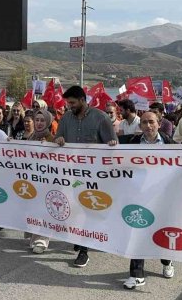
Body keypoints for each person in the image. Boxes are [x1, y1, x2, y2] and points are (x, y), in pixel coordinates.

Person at [54, 86, 117, 268]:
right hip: (75, 175)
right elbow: (59, 138)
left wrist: (112, 145)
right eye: (68, 103)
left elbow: (113, 148)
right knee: (79, 209)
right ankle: (84, 239)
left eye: (72, 103)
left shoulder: (101, 118)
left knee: (92, 211)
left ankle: (84, 249)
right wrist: (59, 141)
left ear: (82, 100)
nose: (69, 106)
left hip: (97, 177)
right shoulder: (65, 118)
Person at [123, 111, 182, 290]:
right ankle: (136, 274)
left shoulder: (170, 144)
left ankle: (167, 261)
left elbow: (181, 166)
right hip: (139, 197)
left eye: (151, 122)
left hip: (163, 197)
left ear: (159, 123)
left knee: (162, 231)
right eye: (144, 123)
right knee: (137, 233)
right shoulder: (131, 142)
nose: (148, 126)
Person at [24, 109, 55, 253]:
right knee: (34, 209)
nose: (39, 123)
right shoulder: (31, 137)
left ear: (48, 122)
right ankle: (34, 237)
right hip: (32, 181)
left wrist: (48, 147)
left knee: (44, 210)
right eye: (37, 120)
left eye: (43, 120)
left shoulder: (52, 139)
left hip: (46, 182)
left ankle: (42, 241)